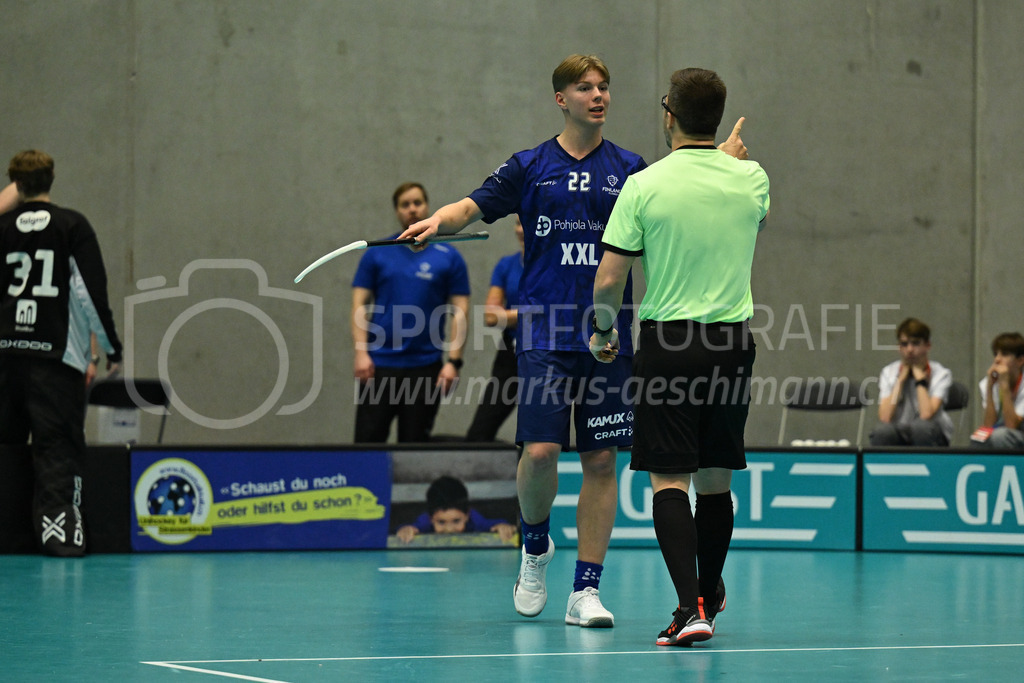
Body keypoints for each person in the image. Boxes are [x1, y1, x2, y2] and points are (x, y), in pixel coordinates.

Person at [591, 68, 768, 646]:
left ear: (668, 112)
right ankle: (708, 598)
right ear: (717, 116)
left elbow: (609, 280)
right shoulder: (753, 179)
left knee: (669, 479)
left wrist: (601, 333)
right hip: (731, 345)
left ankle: (690, 607)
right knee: (715, 480)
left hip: (668, 347)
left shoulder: (642, 186)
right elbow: (722, 192)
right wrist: (728, 159)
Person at [0, 150, 123, 557]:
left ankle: (8, 535)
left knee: (5, 445)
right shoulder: (72, 226)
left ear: (14, 184)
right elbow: (90, 295)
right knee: (57, 446)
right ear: (52, 179)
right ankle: (61, 538)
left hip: (5, 359)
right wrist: (110, 348)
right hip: (56, 360)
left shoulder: (2, 227)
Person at [351, 182, 470, 443]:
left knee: (415, 449)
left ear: (427, 206)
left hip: (425, 368)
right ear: (397, 211)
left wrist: (453, 362)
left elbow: (460, 311)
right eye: (405, 205)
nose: (412, 209)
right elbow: (358, 305)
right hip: (379, 366)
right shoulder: (377, 253)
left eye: (418, 202)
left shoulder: (449, 257)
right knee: (367, 444)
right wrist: (361, 353)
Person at [465, 215, 524, 442]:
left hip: (546, 354)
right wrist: (533, 312)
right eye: (517, 223)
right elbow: (490, 316)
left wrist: (509, 315)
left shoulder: (556, 265)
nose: (521, 230)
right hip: (510, 354)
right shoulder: (506, 265)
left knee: (545, 438)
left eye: (526, 223)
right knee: (480, 432)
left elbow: (561, 313)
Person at [869, 318, 954, 447]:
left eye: (915, 343)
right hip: (899, 431)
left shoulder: (941, 374)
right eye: (904, 344)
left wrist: (920, 380)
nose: (909, 349)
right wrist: (900, 381)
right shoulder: (888, 372)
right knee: (882, 431)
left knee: (921, 427)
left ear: (927, 346)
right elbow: (885, 417)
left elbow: (926, 414)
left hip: (931, 433)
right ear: (899, 347)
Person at [394, 475, 518, 543]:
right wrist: (405, 530)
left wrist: (503, 526)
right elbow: (409, 527)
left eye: (456, 521)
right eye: (441, 522)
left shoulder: (475, 521)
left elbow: (494, 524)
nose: (449, 529)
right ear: (431, 519)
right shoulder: (425, 521)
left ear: (467, 515)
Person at [973, 332, 1024, 449]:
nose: (997, 359)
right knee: (978, 439)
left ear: (1020, 360)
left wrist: (1004, 386)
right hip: (1006, 433)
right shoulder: (989, 382)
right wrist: (989, 388)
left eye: (1004, 354)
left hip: (1019, 432)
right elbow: (988, 426)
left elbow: (1012, 425)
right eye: (995, 354)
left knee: (1000, 436)